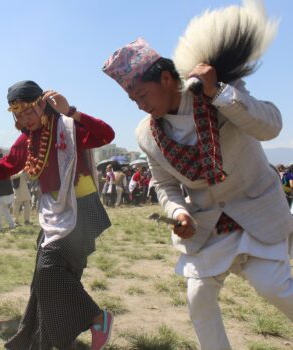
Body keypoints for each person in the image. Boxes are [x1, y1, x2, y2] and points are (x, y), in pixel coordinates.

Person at [103, 26, 293, 349]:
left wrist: (219, 92)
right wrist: (178, 212)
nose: (139, 106)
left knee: (274, 287)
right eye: (133, 100)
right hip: (209, 224)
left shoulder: (217, 90)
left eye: (142, 96)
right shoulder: (147, 135)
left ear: (166, 79)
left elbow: (272, 125)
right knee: (198, 296)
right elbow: (164, 186)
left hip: (255, 209)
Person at [0, 80, 115, 350]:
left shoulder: (67, 125)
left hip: (80, 208)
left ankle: (97, 318)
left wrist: (74, 112)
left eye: (28, 112)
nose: (24, 119)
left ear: (43, 103)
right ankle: (48, 342)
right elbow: (4, 169)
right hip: (53, 213)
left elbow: (106, 135)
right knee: (44, 281)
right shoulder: (27, 139)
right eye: (18, 115)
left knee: (48, 272)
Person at [0, 148, 16, 231]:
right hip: (8, 191)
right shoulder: (5, 163)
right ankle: (12, 225)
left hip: (1, 193)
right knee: (5, 209)